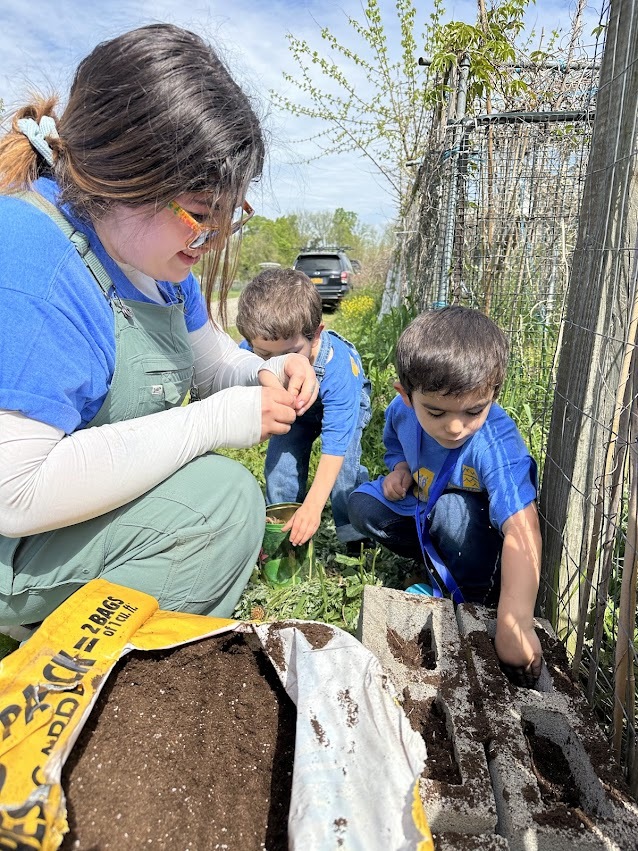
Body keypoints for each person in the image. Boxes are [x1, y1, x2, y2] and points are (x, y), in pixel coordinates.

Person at [0, 24, 319, 634]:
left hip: (63, 520)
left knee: (223, 500)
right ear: (127, 177)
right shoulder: (33, 259)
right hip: (14, 540)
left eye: (228, 216)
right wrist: (211, 421)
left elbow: (209, 363)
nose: (214, 237)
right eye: (200, 215)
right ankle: (63, 671)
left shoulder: (156, 260)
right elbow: (16, 493)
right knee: (220, 506)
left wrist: (264, 371)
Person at [348, 306, 543, 683]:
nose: (455, 427)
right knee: (362, 505)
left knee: (453, 509)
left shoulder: (496, 442)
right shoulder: (400, 412)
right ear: (406, 396)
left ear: (493, 393)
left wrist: (514, 622)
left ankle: (466, 595)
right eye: (436, 412)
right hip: (423, 502)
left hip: (471, 529)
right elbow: (396, 448)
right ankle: (430, 560)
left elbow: (522, 529)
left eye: (473, 411)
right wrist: (400, 470)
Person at [236, 268, 372, 549]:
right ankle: (283, 532)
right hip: (298, 409)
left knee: (344, 472)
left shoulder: (337, 369)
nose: (279, 366)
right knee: (281, 465)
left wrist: (313, 507)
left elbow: (336, 443)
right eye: (265, 356)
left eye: (288, 354)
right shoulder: (250, 348)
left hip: (344, 407)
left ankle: (355, 537)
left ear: (317, 334)